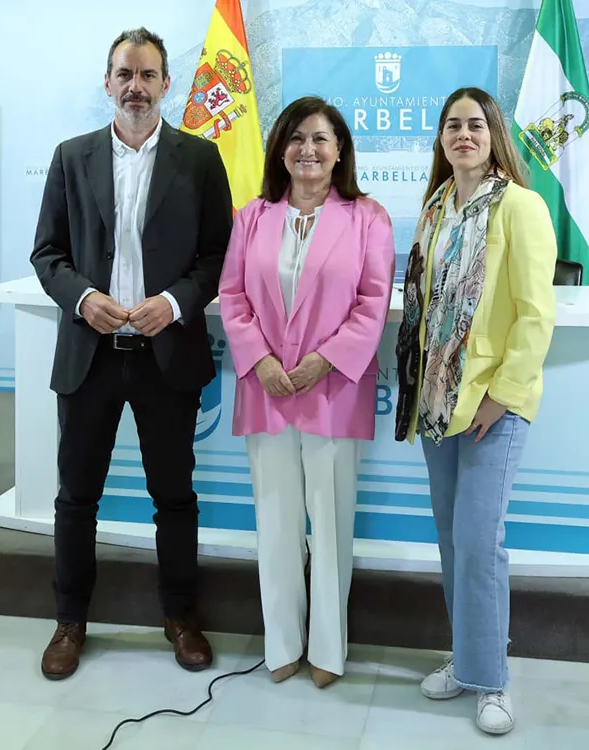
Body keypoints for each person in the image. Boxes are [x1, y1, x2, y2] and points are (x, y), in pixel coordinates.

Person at [29, 27, 234, 680]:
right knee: (75, 497)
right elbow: (47, 254)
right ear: (107, 82)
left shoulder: (200, 161)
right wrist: (83, 298)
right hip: (89, 355)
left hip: (164, 356)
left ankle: (180, 617)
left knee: (174, 496)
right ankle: (70, 622)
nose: (136, 87)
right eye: (125, 74)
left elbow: (216, 258)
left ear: (167, 84)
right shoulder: (70, 157)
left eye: (148, 75)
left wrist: (172, 304)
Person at [392, 87, 557, 735]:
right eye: (453, 126)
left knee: (480, 541)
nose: (464, 134)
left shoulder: (520, 207)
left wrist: (501, 394)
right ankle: (465, 660)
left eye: (475, 125)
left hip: (495, 404)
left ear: (493, 136)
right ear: (441, 139)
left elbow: (536, 314)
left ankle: (491, 680)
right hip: (440, 402)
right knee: (451, 538)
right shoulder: (435, 209)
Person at [219, 97, 395, 689]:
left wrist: (324, 360)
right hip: (266, 390)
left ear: (339, 148)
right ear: (280, 150)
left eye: (320, 138)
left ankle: (327, 649)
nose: (308, 150)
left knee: (331, 520)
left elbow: (373, 304)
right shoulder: (252, 217)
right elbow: (233, 297)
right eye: (296, 138)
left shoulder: (368, 217)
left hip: (333, 390)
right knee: (275, 522)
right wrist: (261, 361)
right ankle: (283, 645)